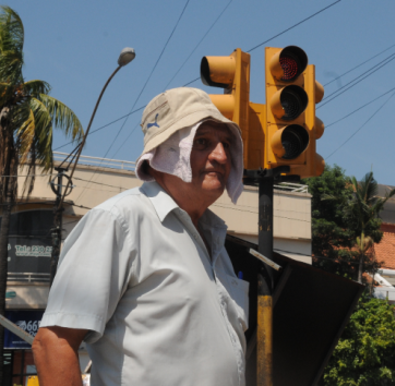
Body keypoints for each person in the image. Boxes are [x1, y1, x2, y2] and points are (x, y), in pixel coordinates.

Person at [32, 87, 249, 386]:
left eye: (226, 143)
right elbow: (53, 343)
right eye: (202, 142)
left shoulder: (216, 245)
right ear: (163, 153)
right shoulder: (120, 221)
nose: (222, 156)